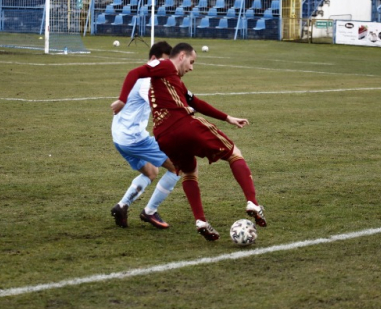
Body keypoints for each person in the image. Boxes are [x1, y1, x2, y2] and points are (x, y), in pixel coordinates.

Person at [111, 42, 266, 241]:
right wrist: (122, 99)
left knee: (189, 171)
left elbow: (195, 101)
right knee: (235, 153)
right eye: (191, 62)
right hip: (182, 125)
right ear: (181, 56)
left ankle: (200, 220)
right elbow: (135, 72)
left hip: (163, 136)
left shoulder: (173, 81)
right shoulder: (166, 65)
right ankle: (252, 202)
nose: (191, 68)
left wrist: (228, 117)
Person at [110, 41, 181, 230]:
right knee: (177, 166)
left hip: (120, 138)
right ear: (153, 60)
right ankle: (150, 211)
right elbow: (160, 105)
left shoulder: (144, 79)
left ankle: (122, 205)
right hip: (134, 139)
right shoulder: (146, 81)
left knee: (151, 172)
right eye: (165, 62)